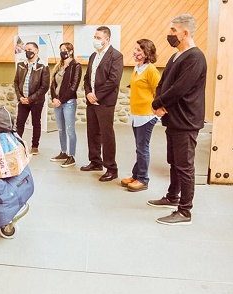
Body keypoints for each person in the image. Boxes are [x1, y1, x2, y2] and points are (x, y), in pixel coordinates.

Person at [147, 14, 207, 225]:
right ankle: (173, 196)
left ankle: (185, 211)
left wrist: (157, 104)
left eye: (173, 30)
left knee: (184, 166)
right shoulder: (175, 56)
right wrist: (159, 100)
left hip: (186, 120)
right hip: (173, 118)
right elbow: (163, 84)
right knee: (174, 162)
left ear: (185, 33)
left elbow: (180, 88)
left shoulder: (195, 57)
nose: (169, 34)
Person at [81, 26, 123, 181]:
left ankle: (111, 168)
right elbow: (87, 78)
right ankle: (95, 161)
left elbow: (113, 81)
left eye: (98, 38)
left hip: (105, 102)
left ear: (107, 39)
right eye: (95, 37)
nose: (95, 40)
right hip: (91, 100)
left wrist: (97, 96)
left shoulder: (116, 56)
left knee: (107, 135)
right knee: (92, 132)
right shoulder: (93, 55)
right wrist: (88, 93)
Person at [121, 39, 161, 192]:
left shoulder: (151, 70)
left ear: (146, 53)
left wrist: (157, 111)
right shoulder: (137, 68)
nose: (135, 52)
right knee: (139, 148)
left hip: (146, 115)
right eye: (135, 49)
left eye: (139, 50)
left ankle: (143, 179)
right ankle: (136, 175)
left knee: (142, 148)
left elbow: (159, 91)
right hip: (136, 114)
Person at [13, 41, 50, 155]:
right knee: (19, 123)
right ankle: (17, 145)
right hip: (22, 100)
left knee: (36, 123)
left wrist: (30, 99)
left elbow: (44, 87)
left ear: (36, 51)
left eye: (30, 49)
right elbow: (16, 82)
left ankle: (35, 145)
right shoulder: (20, 64)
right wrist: (20, 97)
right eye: (26, 50)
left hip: (36, 101)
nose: (27, 52)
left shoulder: (43, 66)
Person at [49, 42, 82, 168]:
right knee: (61, 129)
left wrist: (61, 100)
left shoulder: (76, 66)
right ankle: (63, 152)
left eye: (65, 50)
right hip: (57, 102)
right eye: (61, 49)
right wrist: (54, 98)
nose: (63, 52)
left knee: (70, 130)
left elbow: (73, 86)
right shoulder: (58, 66)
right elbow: (53, 83)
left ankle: (71, 156)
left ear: (71, 51)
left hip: (68, 102)